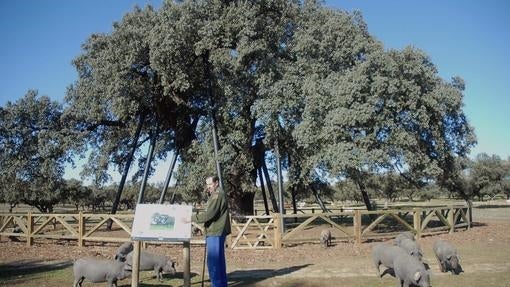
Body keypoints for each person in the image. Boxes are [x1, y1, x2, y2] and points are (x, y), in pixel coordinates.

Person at [193, 175, 231, 287]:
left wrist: (190, 218)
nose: (208, 187)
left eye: (210, 184)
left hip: (215, 232)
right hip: (217, 232)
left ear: (217, 183)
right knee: (219, 262)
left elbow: (209, 214)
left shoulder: (217, 195)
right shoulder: (216, 194)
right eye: (207, 184)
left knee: (214, 263)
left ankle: (217, 285)